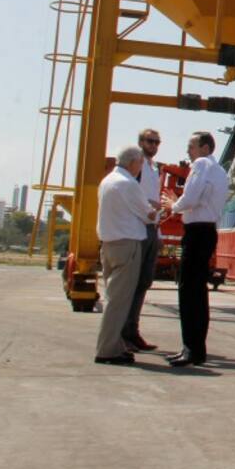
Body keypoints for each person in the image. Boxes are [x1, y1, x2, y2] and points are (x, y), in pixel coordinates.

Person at [161, 131, 229, 367]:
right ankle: (195, 347)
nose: (188, 151)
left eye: (191, 146)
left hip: (196, 232)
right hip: (208, 231)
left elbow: (190, 198)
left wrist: (173, 205)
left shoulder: (201, 165)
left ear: (205, 148)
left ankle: (191, 348)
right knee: (198, 292)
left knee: (188, 291)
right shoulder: (219, 171)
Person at [95, 146, 158, 365]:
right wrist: (161, 210)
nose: (141, 167)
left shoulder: (107, 181)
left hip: (108, 244)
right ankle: (108, 349)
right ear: (133, 163)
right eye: (140, 163)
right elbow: (148, 215)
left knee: (114, 297)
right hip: (127, 245)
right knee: (119, 301)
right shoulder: (129, 184)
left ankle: (115, 345)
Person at [122, 128, 162, 353]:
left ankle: (132, 331)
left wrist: (158, 232)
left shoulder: (153, 168)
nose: (154, 145)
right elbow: (130, 194)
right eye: (150, 141)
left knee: (144, 281)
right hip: (138, 227)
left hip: (151, 227)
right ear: (140, 142)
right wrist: (149, 204)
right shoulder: (136, 167)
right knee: (132, 282)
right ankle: (124, 333)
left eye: (157, 142)